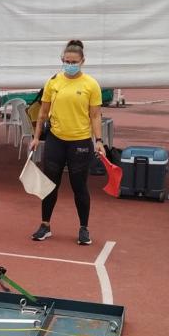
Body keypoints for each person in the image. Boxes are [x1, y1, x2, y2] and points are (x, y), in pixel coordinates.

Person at [29, 40, 104, 246]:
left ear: (82, 61)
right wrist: (36, 137)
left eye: (74, 61)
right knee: (50, 185)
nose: (70, 64)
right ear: (62, 60)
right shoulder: (53, 82)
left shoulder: (91, 85)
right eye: (67, 61)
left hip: (80, 142)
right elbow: (42, 113)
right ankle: (45, 225)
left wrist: (99, 141)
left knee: (79, 186)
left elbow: (96, 116)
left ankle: (84, 228)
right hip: (56, 140)